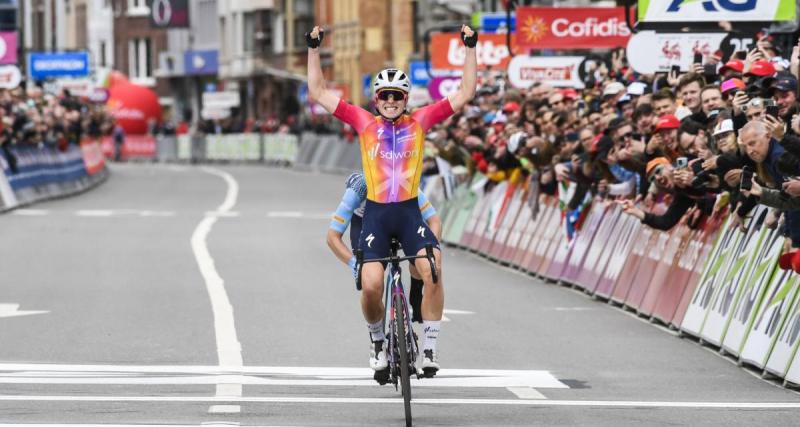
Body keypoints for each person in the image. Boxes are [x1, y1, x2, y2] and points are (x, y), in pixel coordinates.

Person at [306, 24, 477, 377]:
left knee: (434, 269)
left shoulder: (421, 120)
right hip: (377, 218)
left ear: (406, 99)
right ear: (376, 98)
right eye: (384, 95)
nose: (390, 101)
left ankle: (429, 346)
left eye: (397, 95)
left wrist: (470, 47)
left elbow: (465, 92)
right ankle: (377, 342)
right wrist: (313, 49)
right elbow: (318, 91)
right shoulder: (363, 121)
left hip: (409, 211)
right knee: (371, 284)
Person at [327, 173, 442, 324]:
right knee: (373, 283)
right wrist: (354, 263)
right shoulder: (360, 188)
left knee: (421, 256)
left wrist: (430, 250)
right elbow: (332, 237)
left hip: (400, 223)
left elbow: (434, 220)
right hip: (364, 225)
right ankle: (376, 331)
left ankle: (416, 284)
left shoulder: (402, 182)